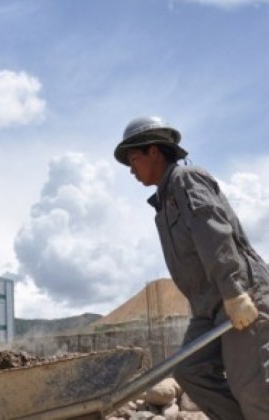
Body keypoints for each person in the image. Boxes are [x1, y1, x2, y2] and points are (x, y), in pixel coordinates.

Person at [114, 116, 269, 420]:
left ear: (154, 152)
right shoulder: (162, 204)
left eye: (134, 159)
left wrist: (234, 292)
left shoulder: (187, 179)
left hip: (239, 293)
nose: (131, 170)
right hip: (207, 307)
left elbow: (214, 233)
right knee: (191, 371)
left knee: (252, 387)